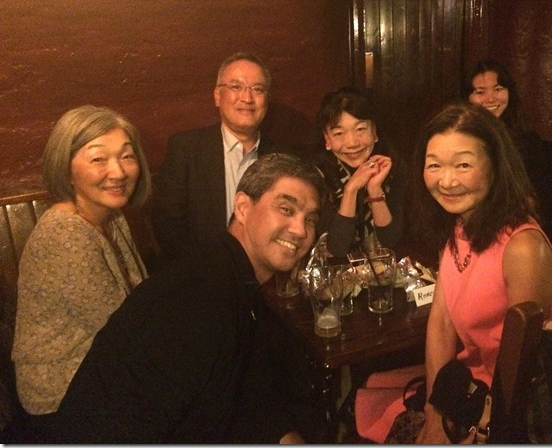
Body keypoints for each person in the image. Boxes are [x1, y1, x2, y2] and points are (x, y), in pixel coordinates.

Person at [17, 153, 328, 443]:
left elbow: (248, 390)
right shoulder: (201, 295)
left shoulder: (231, 277)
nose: (300, 230)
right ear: (243, 207)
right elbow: (136, 423)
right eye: (286, 209)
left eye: (311, 219)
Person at [409, 102, 552, 443]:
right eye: (434, 165)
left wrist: (480, 431)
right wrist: (434, 413)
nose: (446, 181)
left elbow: (526, 367)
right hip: (465, 387)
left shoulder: (523, 247)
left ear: (496, 166)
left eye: (463, 164)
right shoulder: (456, 227)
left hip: (510, 410)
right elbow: (441, 323)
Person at [11, 105, 152, 419]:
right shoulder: (65, 233)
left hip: (109, 368)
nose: (118, 172)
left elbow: (139, 307)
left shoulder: (111, 215)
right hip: (62, 394)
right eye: (99, 159)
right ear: (66, 170)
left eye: (127, 156)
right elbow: (121, 331)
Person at [152, 51, 286, 260]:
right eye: (236, 87)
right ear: (217, 96)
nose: (247, 98)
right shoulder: (186, 149)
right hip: (201, 269)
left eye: (257, 89)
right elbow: (167, 225)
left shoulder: (283, 158)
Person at [464, 58, 552, 246]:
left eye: (498, 89)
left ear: (509, 92)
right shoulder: (462, 135)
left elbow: (532, 199)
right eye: (480, 92)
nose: (490, 98)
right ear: (467, 98)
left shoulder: (526, 140)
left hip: (514, 225)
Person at [312, 86, 405, 258]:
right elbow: (337, 249)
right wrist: (351, 190)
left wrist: (375, 189)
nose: (352, 143)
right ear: (327, 138)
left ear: (375, 131)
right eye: (339, 133)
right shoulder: (316, 175)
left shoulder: (391, 167)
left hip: (382, 269)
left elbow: (390, 241)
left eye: (360, 129)